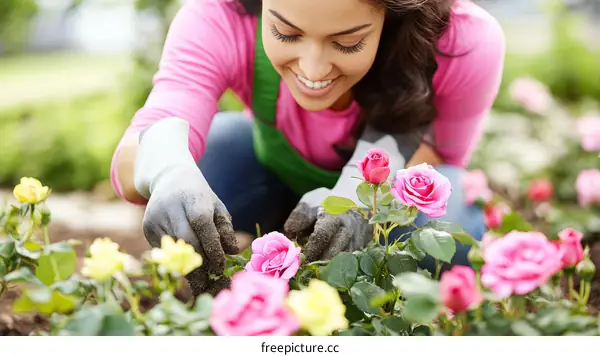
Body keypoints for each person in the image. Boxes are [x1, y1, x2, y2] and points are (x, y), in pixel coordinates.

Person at [110, 0, 505, 295]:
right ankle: (292, 234)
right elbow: (146, 139)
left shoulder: (462, 39)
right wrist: (166, 170)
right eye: (286, 34)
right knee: (217, 151)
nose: (313, 70)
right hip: (274, 175)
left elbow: (437, 156)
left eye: (347, 42)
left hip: (382, 201)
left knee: (447, 216)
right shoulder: (221, 15)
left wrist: (357, 198)